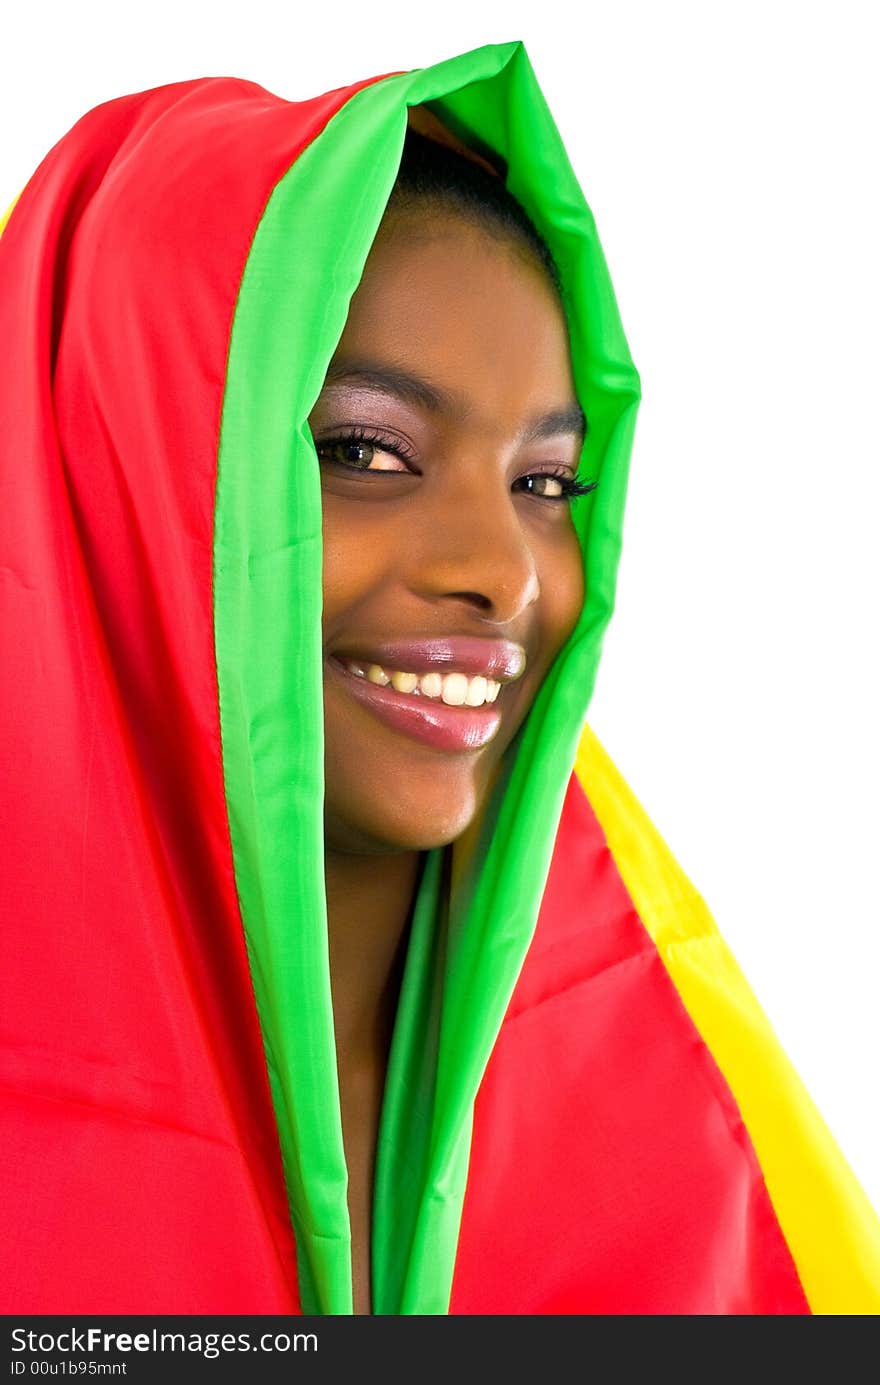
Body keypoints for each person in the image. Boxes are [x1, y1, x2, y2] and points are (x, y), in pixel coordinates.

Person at [1, 39, 878, 1317]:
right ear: (113, 481)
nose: (503, 574)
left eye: (544, 484)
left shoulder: (692, 1118)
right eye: (366, 449)